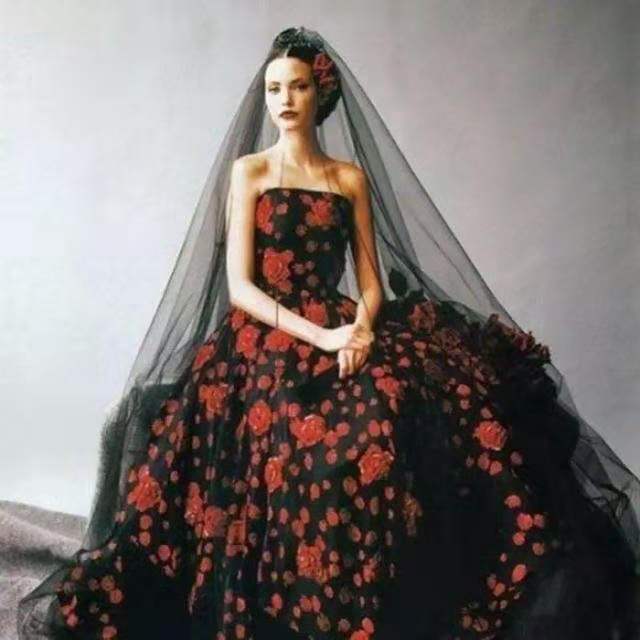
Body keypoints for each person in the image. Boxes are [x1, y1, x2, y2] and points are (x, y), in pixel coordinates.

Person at [17, 25, 640, 640]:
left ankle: (388, 599)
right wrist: (323, 340)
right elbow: (242, 288)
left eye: (297, 87)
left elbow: (371, 281)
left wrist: (361, 330)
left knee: (392, 413)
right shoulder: (249, 172)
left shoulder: (347, 179)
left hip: (342, 324)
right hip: (265, 334)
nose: (284, 100)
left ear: (320, 93)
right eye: (273, 89)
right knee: (297, 437)